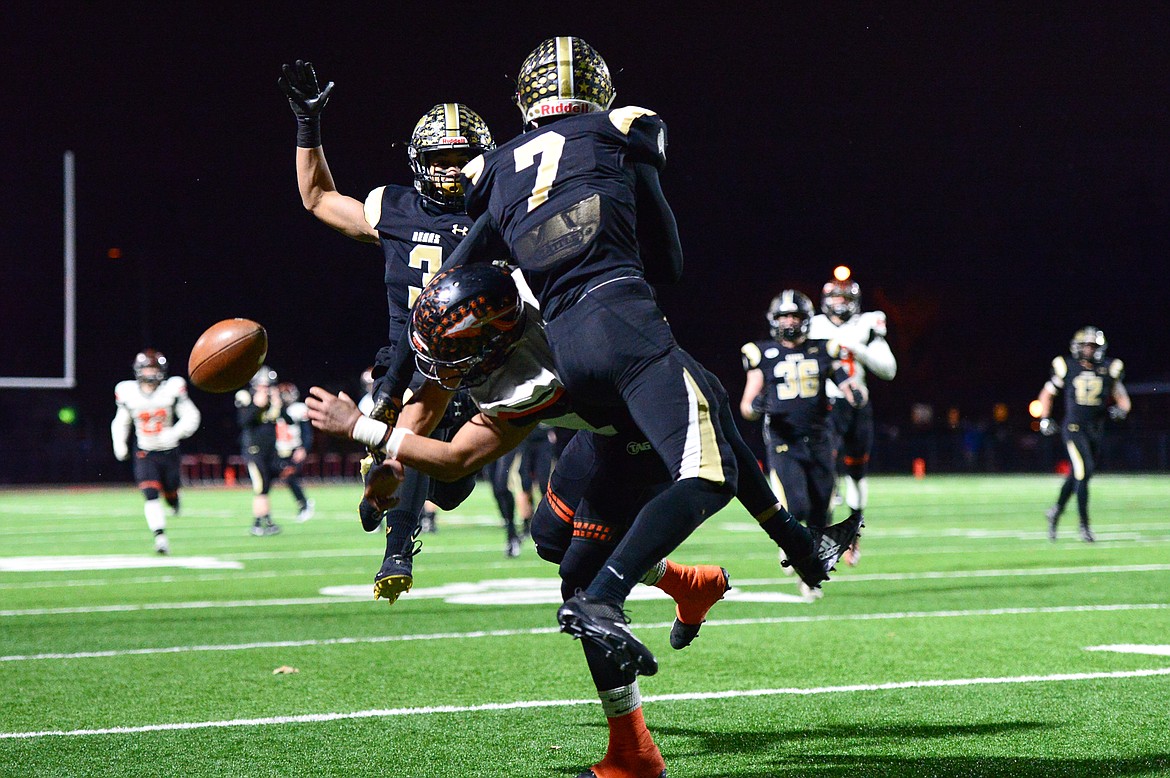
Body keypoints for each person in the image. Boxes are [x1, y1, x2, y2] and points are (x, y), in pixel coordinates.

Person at [309, 264, 860, 778]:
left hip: (637, 439)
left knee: (581, 583)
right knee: (549, 537)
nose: (445, 369)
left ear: (495, 338)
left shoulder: (529, 374)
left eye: (455, 353)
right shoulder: (526, 290)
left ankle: (632, 752)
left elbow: (458, 460)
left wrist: (365, 430)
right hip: (604, 428)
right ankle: (688, 584)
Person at [279, 60, 490, 600]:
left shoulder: (498, 214)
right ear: (419, 162)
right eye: (440, 159)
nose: (450, 171)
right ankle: (397, 551)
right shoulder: (392, 206)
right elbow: (317, 198)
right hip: (407, 364)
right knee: (409, 443)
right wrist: (309, 126)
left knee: (453, 490)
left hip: (479, 368)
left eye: (461, 159)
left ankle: (385, 488)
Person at [741, 290, 864, 599]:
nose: (790, 322)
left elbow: (844, 379)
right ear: (774, 320)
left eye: (795, 316)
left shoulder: (823, 349)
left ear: (806, 319)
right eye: (784, 317)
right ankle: (791, 546)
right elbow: (746, 404)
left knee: (822, 510)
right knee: (798, 506)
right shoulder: (761, 352)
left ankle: (808, 576)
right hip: (784, 440)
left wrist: (853, 390)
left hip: (820, 439)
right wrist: (756, 406)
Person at [807, 269, 897, 565]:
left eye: (846, 297)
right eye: (835, 296)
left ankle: (854, 532)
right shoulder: (813, 325)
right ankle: (822, 537)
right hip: (825, 406)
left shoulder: (867, 324)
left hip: (857, 405)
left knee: (857, 474)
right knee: (824, 470)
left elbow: (888, 369)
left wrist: (857, 349)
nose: (841, 302)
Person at [1035, 326, 1130, 542]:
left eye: (1092, 346)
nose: (1088, 350)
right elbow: (1046, 394)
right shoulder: (1067, 366)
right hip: (1073, 429)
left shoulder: (1108, 368)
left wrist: (1121, 410)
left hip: (1095, 430)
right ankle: (1084, 526)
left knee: (1078, 475)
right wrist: (1044, 418)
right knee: (1083, 471)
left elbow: (1122, 397)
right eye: (1085, 345)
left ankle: (1056, 510)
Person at [111, 349, 201, 554]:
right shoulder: (128, 391)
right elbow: (121, 421)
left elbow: (191, 416)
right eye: (147, 368)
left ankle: (174, 498)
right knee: (150, 493)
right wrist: (120, 444)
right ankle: (160, 537)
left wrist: (176, 432)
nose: (151, 373)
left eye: (154, 368)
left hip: (169, 451)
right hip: (146, 451)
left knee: (170, 490)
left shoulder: (172, 388)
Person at [236, 366, 283, 536]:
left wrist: (277, 405)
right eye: (263, 385)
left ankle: (264, 520)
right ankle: (259, 523)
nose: (267, 389)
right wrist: (257, 405)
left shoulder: (274, 398)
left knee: (266, 486)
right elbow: (243, 420)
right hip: (253, 449)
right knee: (260, 486)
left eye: (269, 385)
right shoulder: (245, 396)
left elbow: (281, 420)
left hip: (270, 449)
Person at [275, 382, 315, 522]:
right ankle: (303, 503)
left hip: (294, 448)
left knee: (289, 476)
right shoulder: (276, 409)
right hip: (280, 450)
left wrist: (303, 448)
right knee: (286, 479)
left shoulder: (298, 409)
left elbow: (306, 431)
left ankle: (304, 504)